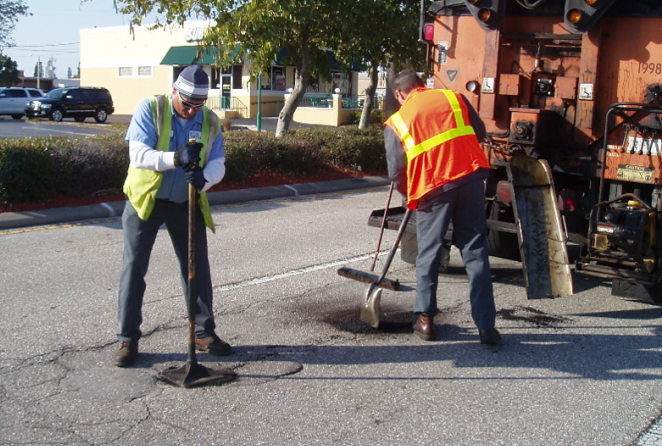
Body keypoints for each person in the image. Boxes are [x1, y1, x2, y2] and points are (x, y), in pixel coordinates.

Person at [114, 65, 230, 367]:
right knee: (134, 268)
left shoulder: (210, 121)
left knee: (197, 268)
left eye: (198, 105)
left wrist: (205, 178)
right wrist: (175, 158)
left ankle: (203, 332)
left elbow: (218, 162)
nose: (192, 111)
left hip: (185, 201)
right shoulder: (151, 109)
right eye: (187, 103)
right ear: (174, 91)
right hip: (146, 201)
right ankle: (128, 338)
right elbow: (138, 154)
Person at [383, 70, 501, 345]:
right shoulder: (454, 98)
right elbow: (479, 132)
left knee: (429, 252)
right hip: (470, 178)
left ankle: (425, 321)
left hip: (432, 188)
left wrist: (407, 194)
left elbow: (396, 170)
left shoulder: (397, 121)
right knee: (475, 250)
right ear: (421, 85)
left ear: (400, 94)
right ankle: (486, 327)